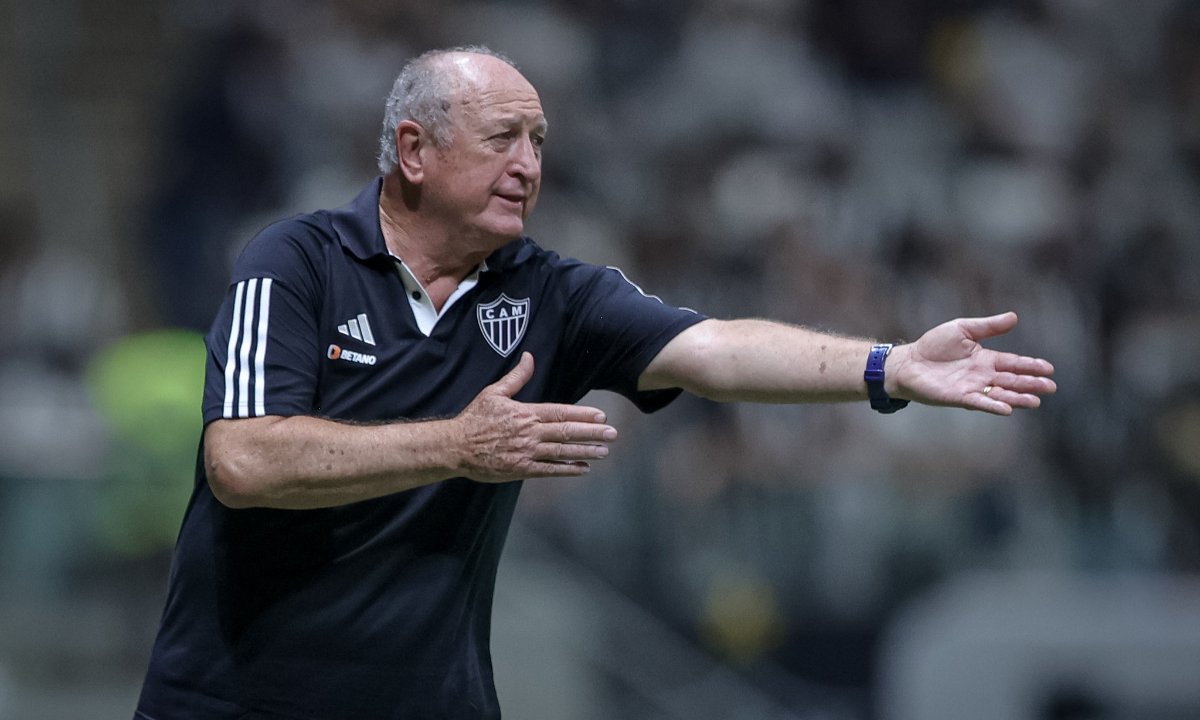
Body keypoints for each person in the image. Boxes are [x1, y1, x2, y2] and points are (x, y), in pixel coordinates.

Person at [134, 46, 1056, 720]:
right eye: (503, 138)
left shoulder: (548, 290)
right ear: (413, 152)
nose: (530, 164)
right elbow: (244, 460)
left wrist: (887, 366)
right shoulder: (295, 260)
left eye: (538, 140)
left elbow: (716, 351)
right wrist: (460, 445)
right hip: (234, 702)